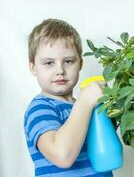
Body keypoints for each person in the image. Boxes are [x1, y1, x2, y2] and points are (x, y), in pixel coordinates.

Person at [24, 18, 113, 177]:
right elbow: (62, 156)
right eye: (49, 63)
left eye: (69, 61)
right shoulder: (39, 109)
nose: (60, 70)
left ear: (80, 64)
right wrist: (85, 101)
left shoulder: (83, 107)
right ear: (33, 67)